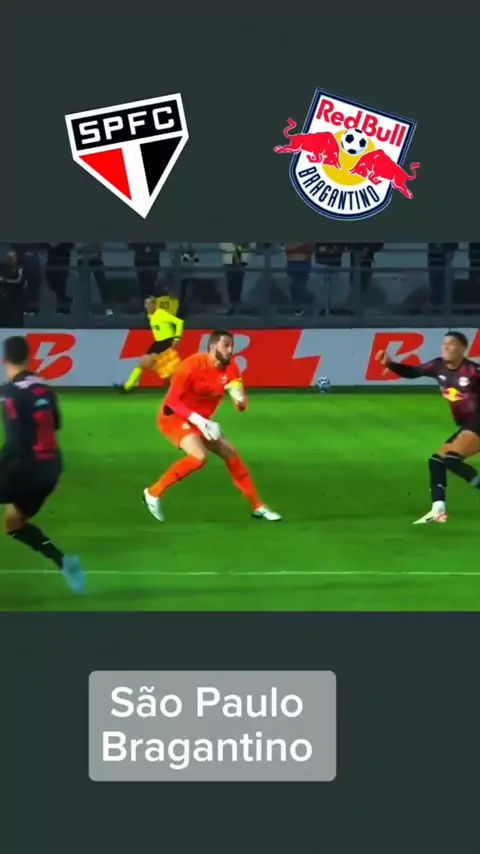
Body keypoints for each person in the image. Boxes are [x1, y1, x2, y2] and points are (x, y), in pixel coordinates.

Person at [143, 329, 281, 522]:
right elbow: (172, 401)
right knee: (199, 457)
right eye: (226, 345)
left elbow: (240, 403)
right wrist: (201, 421)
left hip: (203, 421)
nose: (230, 350)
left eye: (232, 346)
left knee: (230, 454)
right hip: (175, 417)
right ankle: (153, 493)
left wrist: (240, 399)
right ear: (212, 346)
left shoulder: (231, 368)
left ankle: (258, 506)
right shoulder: (190, 366)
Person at [0, 336, 85, 591]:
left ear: (5, 361)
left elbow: (14, 443)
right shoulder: (46, 390)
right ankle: (65, 562)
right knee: (13, 524)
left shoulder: (10, 394)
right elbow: (55, 424)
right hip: (50, 472)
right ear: (29, 358)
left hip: (24, 471)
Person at [376, 330, 480, 524]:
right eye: (444, 344)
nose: (446, 347)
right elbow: (413, 372)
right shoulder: (437, 365)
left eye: (451, 344)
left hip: (478, 422)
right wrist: (391, 364)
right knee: (437, 461)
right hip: (467, 425)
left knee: (452, 459)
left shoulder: (473, 371)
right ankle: (438, 509)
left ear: (463, 348)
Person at [119, 295, 184, 392]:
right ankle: (127, 386)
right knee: (160, 367)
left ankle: (127, 387)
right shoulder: (150, 316)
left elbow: (179, 322)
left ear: (154, 305)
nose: (146, 306)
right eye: (145, 304)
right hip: (159, 343)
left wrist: (177, 338)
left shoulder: (161, 314)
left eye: (149, 304)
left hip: (166, 341)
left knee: (144, 363)